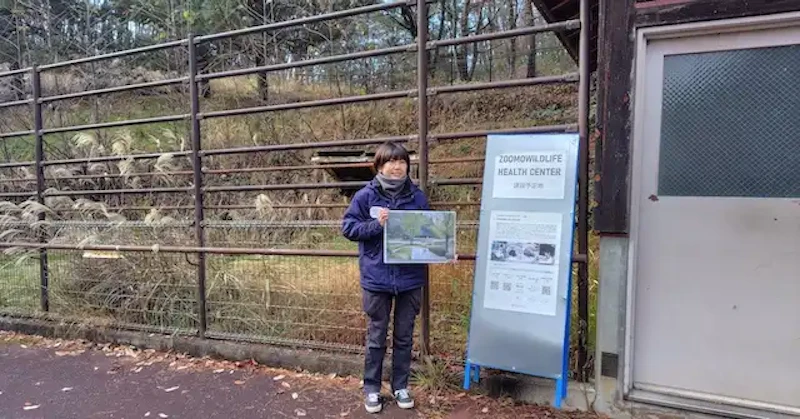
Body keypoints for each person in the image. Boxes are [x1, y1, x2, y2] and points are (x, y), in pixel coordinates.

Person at [341, 141, 429, 414]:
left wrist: (442, 249)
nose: (396, 166)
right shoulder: (365, 196)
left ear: (407, 166)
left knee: (404, 337)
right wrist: (375, 225)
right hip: (377, 278)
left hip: (409, 278)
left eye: (401, 161)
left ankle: (400, 386)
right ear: (379, 166)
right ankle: (371, 388)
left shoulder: (417, 198)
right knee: (376, 337)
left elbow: (430, 233)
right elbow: (348, 227)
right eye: (390, 161)